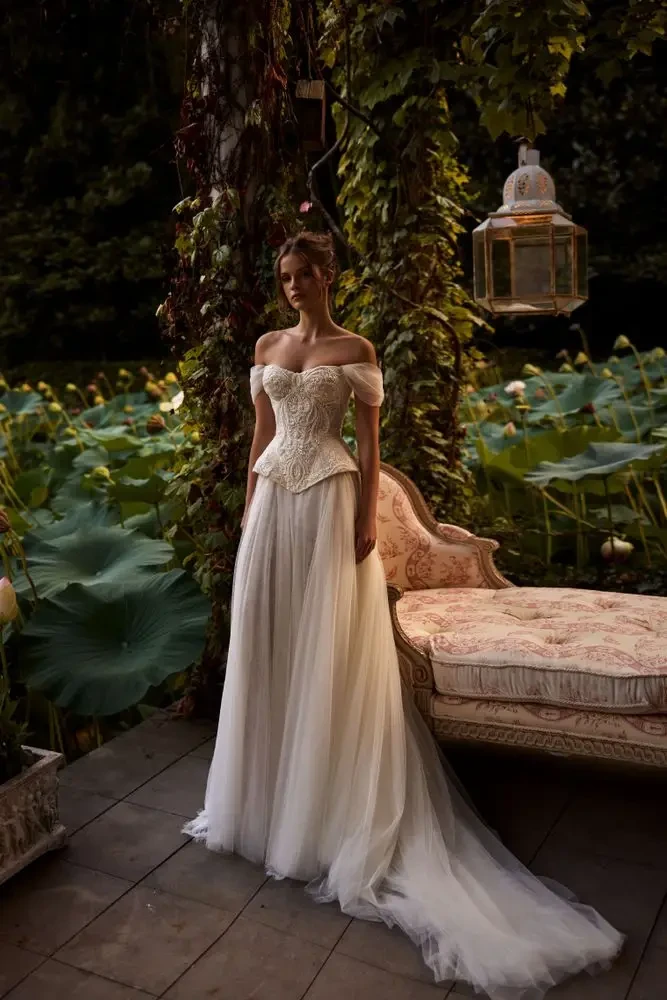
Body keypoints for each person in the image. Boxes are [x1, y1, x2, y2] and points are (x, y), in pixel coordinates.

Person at [185, 230, 623, 998]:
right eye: (284, 276)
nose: (293, 286)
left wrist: (363, 523)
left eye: (304, 274)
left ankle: (321, 807)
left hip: (325, 503)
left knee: (321, 647)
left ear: (327, 276)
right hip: (273, 509)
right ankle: (262, 801)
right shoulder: (266, 343)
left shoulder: (355, 346)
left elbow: (367, 440)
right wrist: (250, 513)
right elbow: (260, 433)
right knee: (268, 645)